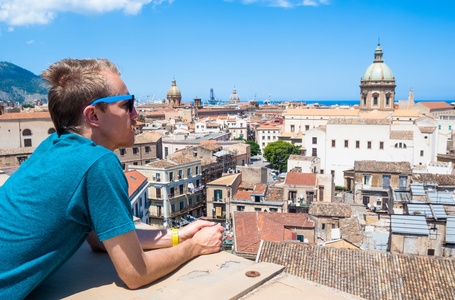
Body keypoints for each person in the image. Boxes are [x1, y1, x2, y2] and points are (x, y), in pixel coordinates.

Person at [0, 58, 224, 298]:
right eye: (128, 104)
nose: (137, 114)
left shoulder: (50, 147)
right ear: (94, 115)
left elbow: (99, 240)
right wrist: (195, 246)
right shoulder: (98, 163)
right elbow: (136, 274)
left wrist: (180, 235)